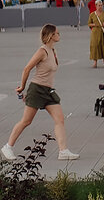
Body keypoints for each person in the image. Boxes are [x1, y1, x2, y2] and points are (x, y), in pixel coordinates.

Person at [2, 25, 78, 162]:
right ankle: (8, 147)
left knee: (59, 119)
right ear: (51, 35)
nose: (59, 35)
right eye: (57, 33)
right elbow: (27, 69)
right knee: (26, 121)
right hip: (37, 89)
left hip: (48, 91)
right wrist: (22, 87)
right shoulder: (42, 51)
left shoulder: (53, 50)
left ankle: (63, 151)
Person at [88, 0, 104, 67]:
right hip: (95, 32)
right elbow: (89, 24)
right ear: (96, 6)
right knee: (95, 46)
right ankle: (95, 62)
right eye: (99, 5)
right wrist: (94, 24)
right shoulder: (92, 14)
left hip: (103, 32)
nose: (100, 7)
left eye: (101, 5)